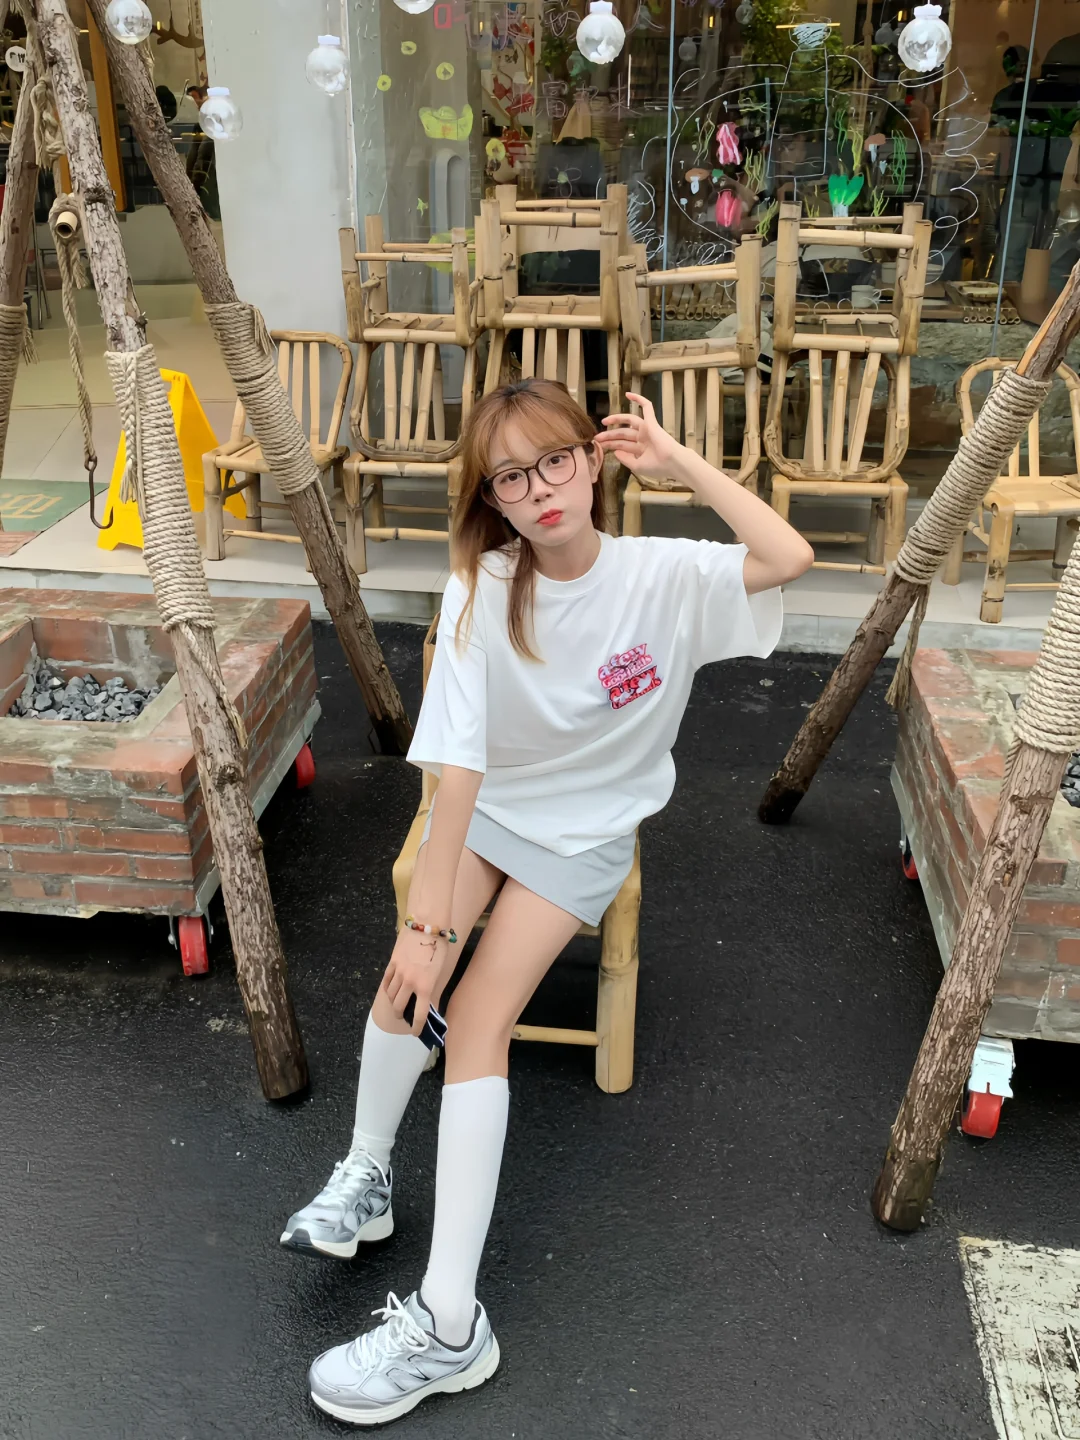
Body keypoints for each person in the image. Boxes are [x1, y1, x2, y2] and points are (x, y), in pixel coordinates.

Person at [282, 378, 814, 1426]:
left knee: (478, 1021)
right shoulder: (482, 586)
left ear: (594, 458)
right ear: (492, 497)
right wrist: (427, 929)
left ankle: (449, 1326)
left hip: (585, 833)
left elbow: (788, 555)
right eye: (512, 477)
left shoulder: (662, 576)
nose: (540, 489)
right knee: (406, 984)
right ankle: (367, 1173)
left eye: (556, 460)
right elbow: (459, 772)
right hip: (493, 811)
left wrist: (680, 461)